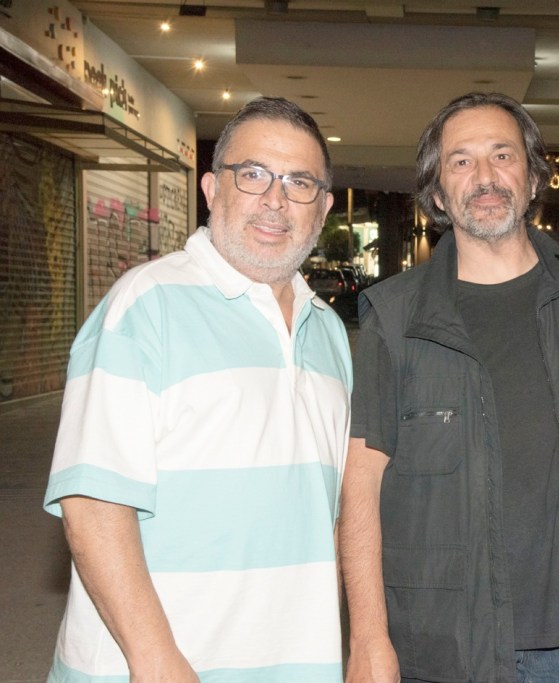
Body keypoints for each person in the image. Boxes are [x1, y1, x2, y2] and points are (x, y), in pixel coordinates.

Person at [340, 91, 559, 683]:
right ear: (438, 193)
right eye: (461, 161)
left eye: (502, 155)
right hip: (446, 646)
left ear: (533, 179)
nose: (484, 176)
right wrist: (368, 638)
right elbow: (361, 483)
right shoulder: (396, 316)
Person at [43, 97, 351, 682]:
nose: (275, 200)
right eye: (253, 174)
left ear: (323, 207)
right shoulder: (145, 305)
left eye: (299, 182)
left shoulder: (328, 332)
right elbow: (94, 504)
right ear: (212, 188)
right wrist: (156, 658)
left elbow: (325, 513)